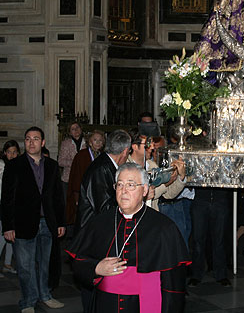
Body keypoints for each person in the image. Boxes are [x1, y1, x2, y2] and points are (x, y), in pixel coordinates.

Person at [68, 162, 190, 312]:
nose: (123, 191)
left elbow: (174, 287)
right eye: (119, 185)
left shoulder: (164, 228)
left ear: (145, 190)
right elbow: (78, 262)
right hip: (106, 304)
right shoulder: (99, 222)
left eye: (131, 185)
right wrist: (96, 268)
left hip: (146, 304)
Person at [1, 127, 65, 313]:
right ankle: (28, 301)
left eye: (36, 139)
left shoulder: (52, 166)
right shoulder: (14, 165)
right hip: (23, 222)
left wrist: (60, 222)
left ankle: (45, 295)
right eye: (28, 139)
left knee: (46, 264)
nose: (31, 142)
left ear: (42, 142)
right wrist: (8, 226)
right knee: (25, 266)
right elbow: (7, 198)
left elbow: (57, 196)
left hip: (47, 222)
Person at [75, 130, 132, 230]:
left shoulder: (106, 164)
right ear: (125, 151)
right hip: (91, 231)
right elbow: (104, 208)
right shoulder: (101, 169)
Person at [0, 140, 19, 278]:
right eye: (9, 152)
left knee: (13, 234)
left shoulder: (19, 165)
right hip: (4, 203)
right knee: (3, 234)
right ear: (4, 153)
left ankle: (7, 264)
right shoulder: (1, 164)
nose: (12, 155)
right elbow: (5, 177)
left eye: (14, 152)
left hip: (16, 203)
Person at [66, 130, 105, 227]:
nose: (98, 142)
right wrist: (76, 196)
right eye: (95, 140)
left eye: (100, 140)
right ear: (89, 142)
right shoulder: (81, 155)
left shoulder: (104, 156)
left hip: (99, 193)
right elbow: (76, 177)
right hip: (84, 193)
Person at [58, 122, 86, 198]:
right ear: (70, 132)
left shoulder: (87, 142)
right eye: (73, 129)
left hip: (83, 178)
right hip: (68, 178)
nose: (76, 130)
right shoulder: (66, 143)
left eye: (77, 127)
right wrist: (75, 162)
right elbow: (60, 161)